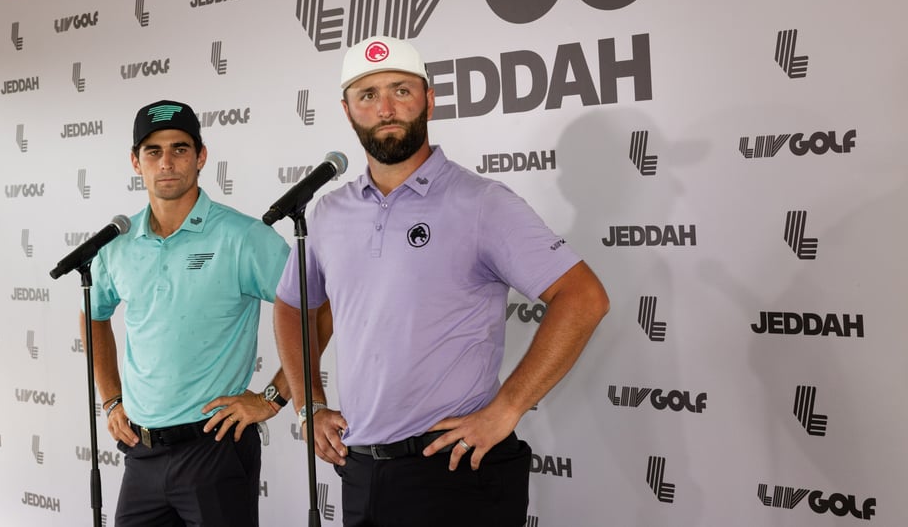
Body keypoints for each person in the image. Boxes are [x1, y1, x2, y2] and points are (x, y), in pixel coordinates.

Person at [274, 37, 610, 526]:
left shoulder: (481, 202)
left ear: (429, 100)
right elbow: (291, 306)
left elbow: (583, 297)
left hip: (455, 473)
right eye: (367, 95)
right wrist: (308, 406)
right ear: (347, 111)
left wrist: (508, 408)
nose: (385, 108)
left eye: (400, 90)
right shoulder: (328, 212)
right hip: (361, 471)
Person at [81, 99, 294, 527]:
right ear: (135, 162)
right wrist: (111, 400)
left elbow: (315, 309)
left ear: (201, 157)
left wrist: (273, 398)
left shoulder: (243, 236)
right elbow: (94, 315)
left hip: (214, 447)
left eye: (179, 149)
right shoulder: (117, 245)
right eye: (153, 152)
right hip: (141, 451)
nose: (167, 162)